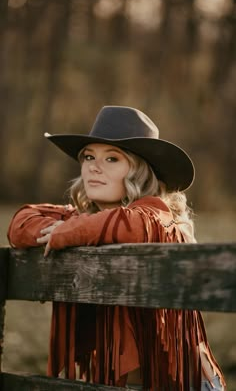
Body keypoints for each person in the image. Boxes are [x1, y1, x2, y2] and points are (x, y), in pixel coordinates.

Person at [7, 106, 225, 390]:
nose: (94, 167)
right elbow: (21, 223)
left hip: (184, 382)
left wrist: (68, 230)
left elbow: (132, 223)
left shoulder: (157, 216)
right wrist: (62, 230)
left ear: (139, 172)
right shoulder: (82, 220)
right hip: (120, 384)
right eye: (88, 157)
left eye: (112, 159)